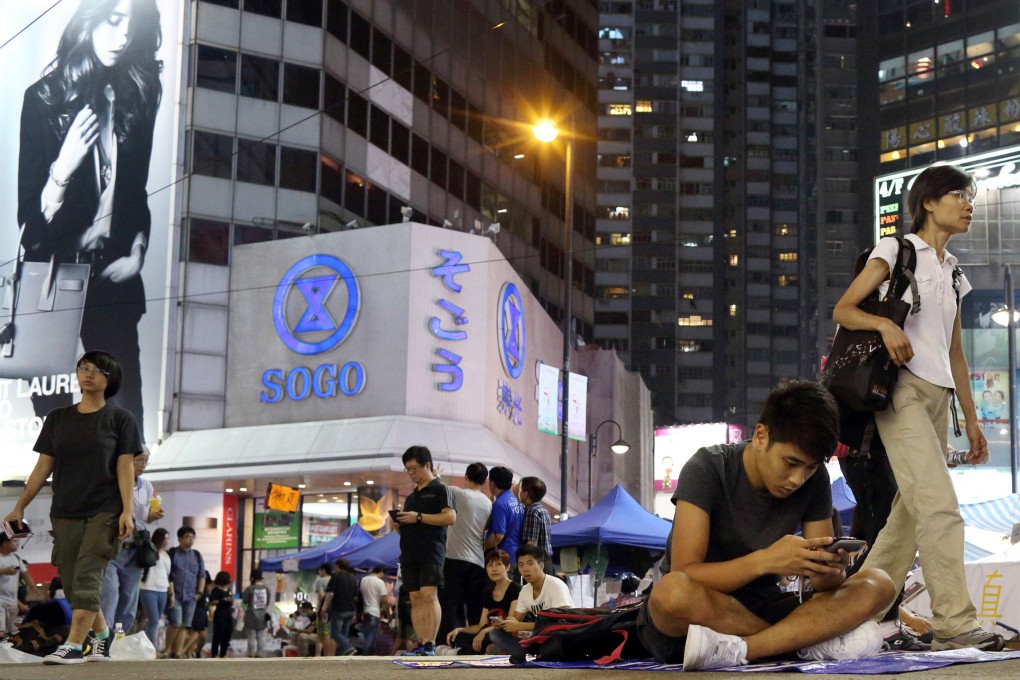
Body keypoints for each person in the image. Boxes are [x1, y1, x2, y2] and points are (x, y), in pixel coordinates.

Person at [834, 164, 1005, 652]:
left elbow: (955, 352)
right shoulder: (896, 250)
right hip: (900, 392)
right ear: (929, 202)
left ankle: (844, 611)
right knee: (939, 507)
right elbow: (845, 309)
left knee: (907, 519)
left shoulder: (954, 273)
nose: (969, 204)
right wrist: (886, 327)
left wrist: (973, 421)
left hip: (939, 398)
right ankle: (954, 623)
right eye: (959, 195)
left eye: (970, 196)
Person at [635, 380, 897, 670]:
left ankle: (749, 648)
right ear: (761, 436)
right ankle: (797, 643)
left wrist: (829, 567)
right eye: (790, 462)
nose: (798, 479)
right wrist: (766, 560)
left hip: (765, 607)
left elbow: (825, 587)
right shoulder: (707, 468)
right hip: (701, 610)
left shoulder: (816, 480)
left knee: (879, 584)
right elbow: (686, 572)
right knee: (670, 593)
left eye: (809, 467)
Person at [17, 0, 163, 429]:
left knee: (127, 419)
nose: (121, 36)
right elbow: (30, 223)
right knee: (57, 425)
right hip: (54, 277)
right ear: (89, 21)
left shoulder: (139, 92)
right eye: (112, 20)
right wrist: (62, 168)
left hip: (111, 276)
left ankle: (124, 496)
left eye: (131, 25)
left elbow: (137, 192)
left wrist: (138, 250)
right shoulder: (43, 99)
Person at [3, 351, 143, 664]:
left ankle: (75, 644)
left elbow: (124, 468)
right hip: (65, 508)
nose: (88, 374)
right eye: (83, 368)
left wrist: (126, 511)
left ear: (110, 379)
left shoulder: (121, 419)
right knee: (69, 577)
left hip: (105, 509)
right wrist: (19, 506)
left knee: (88, 576)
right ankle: (104, 637)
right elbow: (42, 468)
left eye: (96, 370)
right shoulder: (57, 418)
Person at [393, 445, 456, 656]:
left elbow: (450, 517)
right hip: (409, 552)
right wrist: (399, 523)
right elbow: (409, 527)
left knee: (429, 595)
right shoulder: (411, 496)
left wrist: (418, 517)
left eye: (414, 468)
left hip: (431, 551)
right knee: (415, 598)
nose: (411, 473)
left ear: (427, 465)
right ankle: (421, 643)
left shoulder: (441, 489)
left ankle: (431, 643)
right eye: (407, 469)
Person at [99, 448, 163, 636]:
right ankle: (104, 636)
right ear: (126, 460)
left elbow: (148, 518)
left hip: (135, 550)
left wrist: (154, 515)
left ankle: (120, 636)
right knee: (110, 593)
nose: (143, 465)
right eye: (139, 460)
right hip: (112, 547)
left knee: (129, 598)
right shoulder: (111, 483)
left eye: (146, 461)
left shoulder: (147, 487)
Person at [487, 545, 573, 657]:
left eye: (530, 563)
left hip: (561, 636)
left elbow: (561, 622)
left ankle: (527, 653)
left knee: (554, 642)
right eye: (521, 565)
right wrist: (504, 624)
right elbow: (516, 619)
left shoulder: (555, 585)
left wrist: (521, 626)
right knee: (495, 633)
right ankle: (526, 652)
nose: (525, 569)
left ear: (541, 565)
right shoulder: (525, 591)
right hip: (539, 638)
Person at [438, 462, 490, 643]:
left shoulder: (457, 493)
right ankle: (475, 643)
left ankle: (451, 642)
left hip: (454, 558)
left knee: (451, 604)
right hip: (477, 560)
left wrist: (437, 475)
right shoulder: (487, 502)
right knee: (474, 604)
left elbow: (438, 488)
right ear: (485, 481)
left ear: (466, 477)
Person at [446, 549, 522, 655]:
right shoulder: (488, 592)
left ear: (508, 567)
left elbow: (510, 624)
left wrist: (484, 631)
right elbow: (481, 626)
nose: (494, 569)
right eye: (490, 565)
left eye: (498, 564)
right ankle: (489, 650)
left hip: (507, 634)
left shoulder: (516, 589)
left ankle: (458, 653)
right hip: (489, 633)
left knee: (491, 635)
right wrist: (460, 629)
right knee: (460, 635)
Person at [164, 526, 205, 658]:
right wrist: (170, 593)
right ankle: (167, 649)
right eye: (187, 537)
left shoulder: (197, 555)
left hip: (191, 596)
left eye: (193, 537)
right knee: (175, 622)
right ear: (180, 539)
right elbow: (167, 573)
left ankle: (179, 652)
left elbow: (202, 575)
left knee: (185, 625)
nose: (190, 539)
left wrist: (199, 593)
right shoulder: (173, 553)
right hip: (175, 595)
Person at [138, 527, 172, 652]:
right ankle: (153, 649)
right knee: (153, 619)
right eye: (164, 539)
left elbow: (168, 574)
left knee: (154, 620)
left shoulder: (166, 555)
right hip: (148, 588)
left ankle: (148, 646)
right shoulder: (149, 551)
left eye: (168, 539)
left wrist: (171, 593)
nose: (166, 541)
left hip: (163, 589)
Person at [483, 467, 523, 570]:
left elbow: (498, 536)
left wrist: (484, 546)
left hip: (503, 558)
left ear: (492, 483)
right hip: (516, 555)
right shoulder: (516, 501)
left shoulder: (500, 504)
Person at [1, 533, 41, 635]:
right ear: (5, 543)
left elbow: (25, 574)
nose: (18, 544)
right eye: (14, 541)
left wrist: (32, 586)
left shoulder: (16, 558)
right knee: (1, 630)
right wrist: (3, 571)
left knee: (12, 630)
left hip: (12, 598)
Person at [320, 558, 358, 656]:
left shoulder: (335, 576)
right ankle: (341, 656)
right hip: (351, 609)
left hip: (339, 608)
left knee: (335, 633)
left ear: (337, 566)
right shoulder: (352, 578)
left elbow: (330, 594)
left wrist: (324, 608)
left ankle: (348, 647)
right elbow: (355, 596)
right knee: (343, 634)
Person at [518, 476, 554, 574]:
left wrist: (523, 564)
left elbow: (531, 543)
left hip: (537, 562)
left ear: (526, 494)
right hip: (546, 560)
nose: (519, 493)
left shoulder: (532, 512)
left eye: (521, 490)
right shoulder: (543, 510)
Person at [359, 564, 389, 655]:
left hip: (365, 611)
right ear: (381, 572)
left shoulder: (363, 580)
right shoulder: (379, 582)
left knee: (367, 635)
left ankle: (366, 654)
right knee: (371, 637)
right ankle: (366, 656)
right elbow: (384, 599)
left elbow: (360, 595)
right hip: (374, 611)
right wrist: (388, 613)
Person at [241, 568, 271, 658]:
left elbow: (245, 601)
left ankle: (251, 653)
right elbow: (267, 602)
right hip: (262, 616)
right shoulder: (267, 589)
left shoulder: (250, 588)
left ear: (252, 577)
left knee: (251, 636)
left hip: (251, 615)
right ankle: (260, 653)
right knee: (260, 637)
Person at [207, 571, 234, 659]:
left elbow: (231, 600)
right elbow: (212, 602)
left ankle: (223, 653)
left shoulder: (229, 590)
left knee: (227, 633)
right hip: (220, 613)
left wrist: (231, 600)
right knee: (218, 633)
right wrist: (224, 600)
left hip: (228, 613)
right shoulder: (216, 590)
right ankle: (214, 653)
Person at [183, 573, 211, 658]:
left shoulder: (203, 574)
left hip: (201, 609)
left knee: (199, 634)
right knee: (195, 631)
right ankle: (185, 651)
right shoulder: (194, 575)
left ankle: (191, 651)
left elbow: (208, 591)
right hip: (196, 607)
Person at [312, 563, 332, 656]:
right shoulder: (333, 579)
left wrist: (322, 607)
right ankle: (325, 654)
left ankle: (320, 655)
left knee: (321, 634)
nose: (319, 572)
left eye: (320, 570)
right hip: (332, 610)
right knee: (327, 633)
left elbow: (320, 595)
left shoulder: (320, 581)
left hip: (323, 610)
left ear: (324, 570)